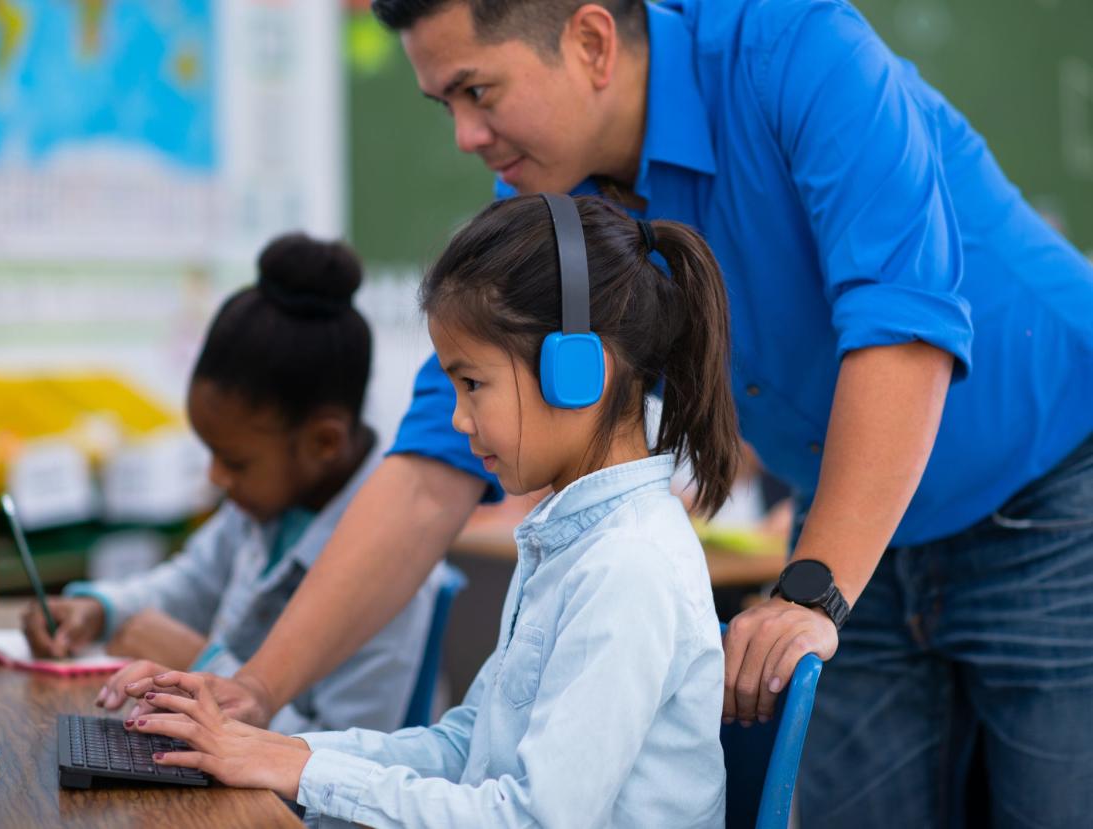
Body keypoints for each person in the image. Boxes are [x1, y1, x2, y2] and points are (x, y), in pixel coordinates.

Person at [111, 2, 1093, 824]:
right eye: (444, 100)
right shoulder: (557, 211)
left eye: (476, 90)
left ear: (589, 41)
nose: (463, 134)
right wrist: (257, 692)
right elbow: (423, 474)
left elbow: (903, 325)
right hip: (859, 524)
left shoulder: (795, 48)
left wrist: (812, 587)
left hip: (1052, 485)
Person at [121, 195, 735, 827]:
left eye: (472, 384)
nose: (457, 419)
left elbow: (532, 818)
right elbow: (464, 747)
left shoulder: (627, 568)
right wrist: (273, 751)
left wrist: (299, 770)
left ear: (577, 372)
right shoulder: (572, 542)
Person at [22, 233, 442, 734]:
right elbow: (193, 583)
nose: (216, 478)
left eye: (235, 462)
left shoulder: (393, 570)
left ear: (324, 443)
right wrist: (101, 610)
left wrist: (202, 663)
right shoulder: (269, 503)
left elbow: (348, 762)